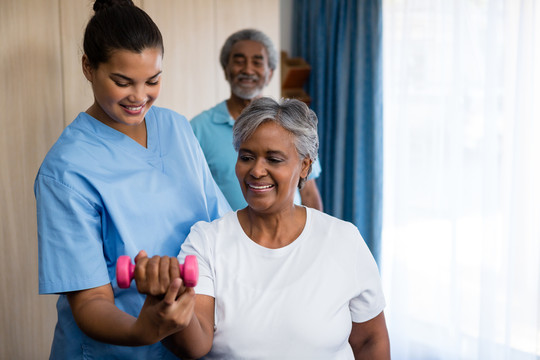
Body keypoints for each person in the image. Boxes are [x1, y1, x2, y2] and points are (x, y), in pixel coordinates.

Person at [34, 0, 230, 358]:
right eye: (122, 82)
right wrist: (145, 329)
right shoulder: (66, 170)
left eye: (152, 81)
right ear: (88, 68)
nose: (140, 98)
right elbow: (91, 301)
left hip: (190, 338)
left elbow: (222, 227)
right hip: (116, 349)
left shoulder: (176, 128)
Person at [134, 97, 391, 359]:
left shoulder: (343, 240)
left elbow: (371, 340)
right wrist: (166, 303)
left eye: (274, 159)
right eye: (246, 157)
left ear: (304, 166)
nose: (256, 171)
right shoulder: (205, 241)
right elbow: (194, 346)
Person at [190, 28, 324, 211]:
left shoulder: (293, 124)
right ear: (226, 70)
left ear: (270, 72)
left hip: (291, 236)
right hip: (228, 237)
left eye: (257, 62)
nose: (248, 69)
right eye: (239, 61)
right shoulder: (198, 129)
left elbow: (308, 192)